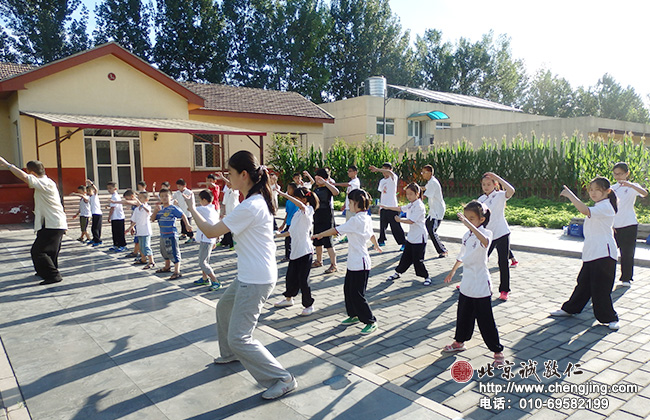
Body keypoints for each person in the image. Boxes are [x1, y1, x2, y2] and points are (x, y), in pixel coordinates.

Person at [184, 150, 297, 400]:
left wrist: (192, 208)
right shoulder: (254, 199)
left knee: (240, 337)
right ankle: (231, 355)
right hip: (250, 274)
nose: (227, 177)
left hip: (256, 279)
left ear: (244, 175)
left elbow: (212, 231)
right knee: (223, 308)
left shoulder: (252, 205)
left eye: (231, 173)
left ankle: (282, 378)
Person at [550, 179, 620, 330]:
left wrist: (570, 195)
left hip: (604, 253)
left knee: (601, 288)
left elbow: (584, 210)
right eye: (591, 190)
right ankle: (570, 308)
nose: (593, 193)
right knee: (583, 283)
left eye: (597, 190)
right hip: (592, 252)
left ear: (607, 191)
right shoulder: (600, 205)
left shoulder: (606, 206)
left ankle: (610, 318)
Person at [443, 201, 505, 367]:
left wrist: (469, 224)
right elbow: (462, 255)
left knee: (485, 319)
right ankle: (459, 342)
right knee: (463, 315)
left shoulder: (487, 233)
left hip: (480, 284)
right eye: (466, 217)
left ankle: (497, 351)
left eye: (472, 218)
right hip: (467, 282)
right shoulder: (467, 236)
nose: (468, 221)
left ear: (482, 219)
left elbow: (484, 241)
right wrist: (453, 271)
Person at [313, 189, 382, 335]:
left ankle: (371, 320)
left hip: (360, 263)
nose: (348, 205)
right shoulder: (365, 217)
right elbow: (371, 234)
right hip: (354, 262)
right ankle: (354, 315)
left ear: (357, 203)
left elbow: (335, 230)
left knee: (357, 294)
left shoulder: (356, 220)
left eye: (350, 202)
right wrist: (375, 245)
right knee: (348, 291)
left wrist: (319, 234)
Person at [0, 158, 68, 285]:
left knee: (38, 251)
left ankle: (54, 275)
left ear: (32, 172)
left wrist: (7, 164)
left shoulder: (44, 183)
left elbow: (24, 177)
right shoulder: (47, 182)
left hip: (52, 223)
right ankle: (44, 271)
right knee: (51, 250)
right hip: (51, 222)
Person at [275, 186, 319, 315]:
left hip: (305, 251)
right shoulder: (297, 214)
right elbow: (291, 231)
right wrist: (279, 235)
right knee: (290, 277)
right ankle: (289, 298)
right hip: (295, 250)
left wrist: (283, 194)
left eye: (297, 198)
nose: (294, 200)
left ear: (304, 199)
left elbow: (301, 205)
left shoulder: (308, 210)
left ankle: (309, 305)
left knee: (303, 279)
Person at [382, 183, 433, 286]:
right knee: (406, 257)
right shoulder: (412, 204)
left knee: (417, 260)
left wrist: (399, 220)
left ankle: (426, 277)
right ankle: (398, 272)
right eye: (407, 194)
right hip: (412, 236)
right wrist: (387, 207)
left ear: (417, 194)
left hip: (420, 237)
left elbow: (411, 221)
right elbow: (401, 208)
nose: (408, 196)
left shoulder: (419, 206)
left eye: (411, 194)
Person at [477, 172, 515, 301]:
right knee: (479, 261)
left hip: (502, 233)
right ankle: (473, 283)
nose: (486, 187)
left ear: (495, 185)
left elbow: (511, 190)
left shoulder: (499, 196)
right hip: (487, 235)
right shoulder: (481, 200)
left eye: (489, 184)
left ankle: (504, 290)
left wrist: (497, 177)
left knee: (503, 262)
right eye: (484, 184)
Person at [611, 162, 648, 287]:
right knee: (608, 251)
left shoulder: (633, 187)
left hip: (629, 224)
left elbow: (644, 193)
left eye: (620, 174)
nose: (618, 176)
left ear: (627, 174)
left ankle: (626, 278)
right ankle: (605, 276)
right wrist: (611, 225)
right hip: (615, 226)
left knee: (627, 253)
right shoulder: (612, 188)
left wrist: (630, 185)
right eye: (615, 174)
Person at [152, 188, 191, 280]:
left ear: (171, 197)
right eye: (162, 196)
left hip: (171, 234)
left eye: (166, 196)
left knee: (173, 252)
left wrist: (187, 225)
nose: (164, 198)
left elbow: (182, 215)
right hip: (163, 234)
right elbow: (152, 219)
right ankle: (167, 266)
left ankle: (177, 271)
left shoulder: (173, 208)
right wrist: (155, 211)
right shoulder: (160, 209)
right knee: (164, 251)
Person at [310, 168, 340, 273]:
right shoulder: (316, 188)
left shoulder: (328, 188)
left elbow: (336, 192)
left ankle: (333, 264)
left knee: (328, 242)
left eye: (319, 178)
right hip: (317, 216)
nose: (317, 180)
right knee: (317, 240)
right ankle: (319, 260)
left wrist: (326, 182)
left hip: (327, 216)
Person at [370, 163, 405, 248]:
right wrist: (380, 207)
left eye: (385, 170)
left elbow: (390, 173)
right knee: (382, 226)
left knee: (395, 227)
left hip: (392, 207)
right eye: (383, 170)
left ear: (390, 170)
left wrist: (377, 169)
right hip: (383, 207)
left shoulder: (393, 178)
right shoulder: (382, 181)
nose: (384, 172)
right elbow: (382, 194)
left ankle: (404, 243)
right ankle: (381, 241)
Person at [194, 189, 221, 290]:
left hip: (207, 239)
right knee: (205, 260)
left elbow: (191, 209)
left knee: (202, 262)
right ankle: (205, 278)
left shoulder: (203, 209)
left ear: (204, 200)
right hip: (209, 239)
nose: (199, 202)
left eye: (200, 200)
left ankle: (215, 281)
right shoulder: (212, 209)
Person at [421, 164, 448, 258]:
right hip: (434, 210)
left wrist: (413, 200)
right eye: (422, 172)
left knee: (431, 230)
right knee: (428, 228)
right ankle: (418, 246)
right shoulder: (430, 181)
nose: (422, 174)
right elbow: (425, 188)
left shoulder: (432, 183)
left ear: (430, 173)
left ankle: (443, 250)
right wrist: (416, 187)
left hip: (437, 211)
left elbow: (423, 196)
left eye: (424, 172)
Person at [125, 191, 155, 269]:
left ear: (146, 199)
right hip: (139, 230)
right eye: (139, 198)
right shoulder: (137, 209)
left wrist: (142, 206)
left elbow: (148, 212)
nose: (139, 199)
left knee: (146, 246)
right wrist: (130, 228)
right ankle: (143, 259)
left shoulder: (147, 207)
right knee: (141, 246)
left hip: (146, 230)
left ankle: (151, 261)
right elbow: (135, 221)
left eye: (141, 198)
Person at [334, 165, 361, 244]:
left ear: (355, 172)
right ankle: (348, 236)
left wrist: (336, 184)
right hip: (349, 206)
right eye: (348, 171)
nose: (348, 173)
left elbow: (347, 185)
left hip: (354, 206)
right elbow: (347, 195)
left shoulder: (355, 181)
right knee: (348, 222)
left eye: (350, 171)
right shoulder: (351, 182)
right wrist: (344, 205)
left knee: (352, 223)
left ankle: (353, 237)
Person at [216, 172, 238, 251]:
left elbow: (231, 185)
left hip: (234, 212)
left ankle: (233, 244)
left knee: (232, 229)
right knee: (226, 227)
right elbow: (224, 204)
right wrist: (222, 213)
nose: (228, 183)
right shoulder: (227, 192)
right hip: (228, 213)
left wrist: (222, 177)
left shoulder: (235, 190)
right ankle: (225, 241)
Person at [278, 183, 299, 262]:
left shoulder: (297, 201)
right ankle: (288, 256)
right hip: (289, 223)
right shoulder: (288, 202)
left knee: (294, 241)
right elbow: (287, 214)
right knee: (287, 241)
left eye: (289, 188)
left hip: (295, 224)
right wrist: (283, 224)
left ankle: (294, 255)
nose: (288, 190)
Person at [173, 179, 195, 244]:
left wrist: (191, 207)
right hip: (181, 210)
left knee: (187, 224)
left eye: (179, 186)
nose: (178, 188)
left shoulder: (189, 192)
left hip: (187, 211)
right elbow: (172, 198)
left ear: (184, 186)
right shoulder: (177, 193)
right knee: (182, 223)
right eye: (177, 186)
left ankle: (191, 237)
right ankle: (183, 235)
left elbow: (192, 201)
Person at [107, 182, 127, 252]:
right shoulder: (113, 196)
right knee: (115, 232)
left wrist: (109, 217)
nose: (109, 190)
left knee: (119, 232)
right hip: (115, 217)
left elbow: (113, 208)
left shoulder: (115, 196)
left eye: (110, 188)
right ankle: (116, 244)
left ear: (115, 188)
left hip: (118, 217)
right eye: (108, 188)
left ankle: (122, 245)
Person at [86, 179, 103, 246]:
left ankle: (98, 240)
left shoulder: (94, 196)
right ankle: (94, 239)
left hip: (97, 213)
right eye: (87, 191)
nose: (88, 192)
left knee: (96, 228)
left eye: (89, 191)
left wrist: (91, 184)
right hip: (93, 213)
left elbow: (96, 190)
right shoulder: (89, 197)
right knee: (93, 228)